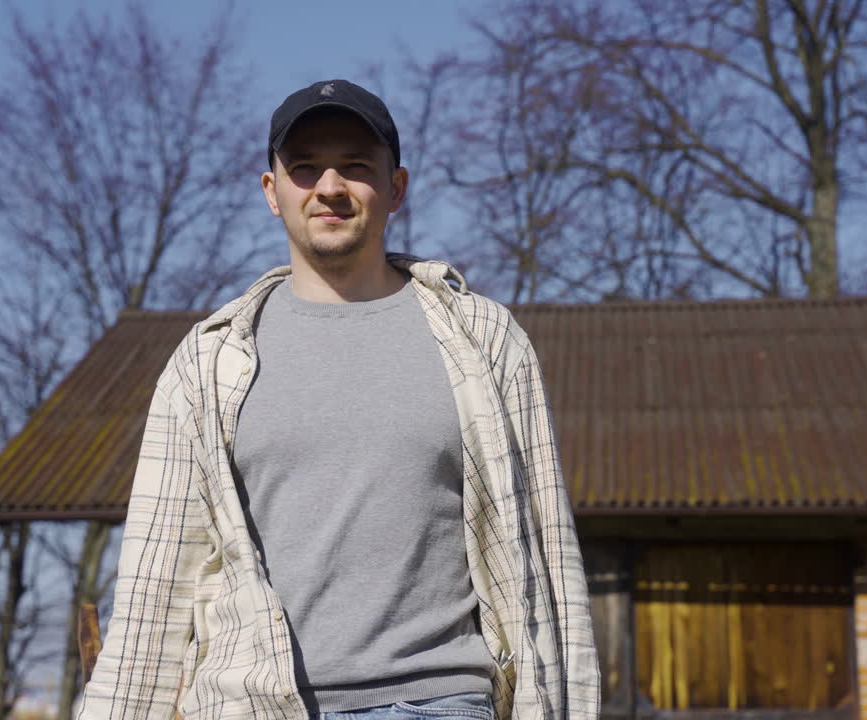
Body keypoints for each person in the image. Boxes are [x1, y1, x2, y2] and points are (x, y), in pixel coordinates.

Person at [77, 79, 599, 720]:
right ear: (272, 193)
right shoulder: (208, 362)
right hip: (255, 706)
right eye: (304, 169)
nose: (329, 187)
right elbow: (157, 578)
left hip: (437, 702)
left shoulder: (484, 341)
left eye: (355, 166)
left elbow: (547, 555)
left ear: (396, 188)